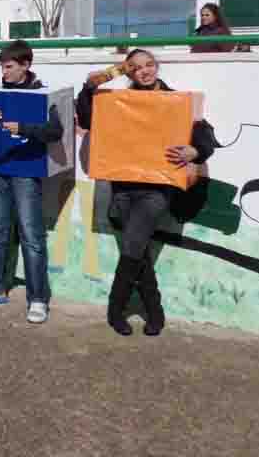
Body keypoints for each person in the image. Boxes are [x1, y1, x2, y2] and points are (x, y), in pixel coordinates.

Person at [76, 48, 216, 336]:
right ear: (129, 71)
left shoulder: (175, 100)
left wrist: (196, 150)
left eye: (149, 65)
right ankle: (153, 311)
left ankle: (120, 310)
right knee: (136, 247)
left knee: (132, 245)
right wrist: (89, 88)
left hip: (156, 191)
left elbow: (204, 136)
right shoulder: (117, 101)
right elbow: (89, 120)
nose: (144, 71)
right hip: (122, 189)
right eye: (136, 67)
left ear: (157, 66)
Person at [0, 40, 62, 324]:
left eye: (9, 67)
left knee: (32, 237)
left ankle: (38, 298)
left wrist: (25, 129)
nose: (4, 72)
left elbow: (55, 130)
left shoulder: (43, 94)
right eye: (2, 67)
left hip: (26, 172)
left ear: (26, 65)